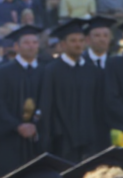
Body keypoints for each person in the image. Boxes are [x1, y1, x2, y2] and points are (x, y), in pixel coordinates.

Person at [41, 18, 109, 163]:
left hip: (90, 140)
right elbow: (47, 106)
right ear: (63, 44)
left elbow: (99, 107)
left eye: (81, 40)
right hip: (62, 141)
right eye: (73, 41)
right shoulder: (52, 71)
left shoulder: (93, 71)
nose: (78, 44)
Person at [0, 24, 44, 178]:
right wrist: (17, 126)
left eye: (34, 42)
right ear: (16, 46)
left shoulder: (46, 71)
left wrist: (36, 124)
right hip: (11, 138)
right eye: (26, 42)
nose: (31, 46)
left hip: (38, 138)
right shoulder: (3, 72)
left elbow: (49, 102)